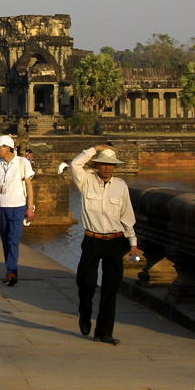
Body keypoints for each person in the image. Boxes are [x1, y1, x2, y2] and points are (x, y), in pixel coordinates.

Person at [71, 145, 139, 345]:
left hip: (114, 241)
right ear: (97, 165)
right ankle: (85, 313)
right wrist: (95, 149)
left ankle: (104, 332)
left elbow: (127, 216)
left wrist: (133, 243)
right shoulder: (86, 181)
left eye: (111, 165)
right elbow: (75, 164)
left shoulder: (121, 186)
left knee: (111, 287)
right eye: (104, 164)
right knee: (87, 282)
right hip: (92, 240)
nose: (107, 168)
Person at [0, 135, 35, 286]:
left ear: (7, 148)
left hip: (18, 206)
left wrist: (30, 208)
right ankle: (10, 270)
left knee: (13, 239)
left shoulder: (23, 163)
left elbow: (29, 186)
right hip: (2, 206)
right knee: (5, 240)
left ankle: (11, 271)